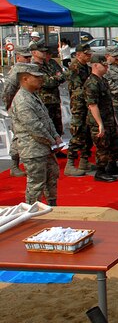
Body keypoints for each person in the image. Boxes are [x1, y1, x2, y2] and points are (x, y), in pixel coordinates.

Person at [11, 64, 62, 205]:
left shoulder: (33, 95)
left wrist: (56, 136)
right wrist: (53, 142)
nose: (41, 79)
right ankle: (32, 211)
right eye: (37, 77)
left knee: (52, 177)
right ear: (25, 79)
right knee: (36, 184)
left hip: (45, 147)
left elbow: (46, 119)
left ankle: (52, 207)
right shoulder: (22, 100)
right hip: (33, 149)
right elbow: (35, 127)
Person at [84, 53, 118, 182]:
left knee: (114, 143)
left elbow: (108, 101)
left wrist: (113, 118)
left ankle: (112, 166)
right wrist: (100, 124)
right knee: (103, 146)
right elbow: (92, 105)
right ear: (96, 65)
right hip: (99, 120)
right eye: (104, 65)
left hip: (109, 118)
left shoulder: (102, 80)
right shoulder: (91, 83)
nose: (106, 67)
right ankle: (100, 171)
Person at [2, 47, 35, 178]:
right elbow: (7, 92)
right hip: (18, 108)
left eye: (29, 57)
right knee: (19, 136)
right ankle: (14, 165)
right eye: (25, 57)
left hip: (29, 107)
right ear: (18, 57)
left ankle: (28, 163)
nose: (28, 59)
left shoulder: (30, 69)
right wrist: (10, 107)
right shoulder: (16, 71)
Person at [65, 44, 95, 176]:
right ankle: (70, 163)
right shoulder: (74, 68)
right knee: (78, 133)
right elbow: (77, 89)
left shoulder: (86, 68)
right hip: (79, 106)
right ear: (78, 54)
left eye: (89, 54)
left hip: (87, 104)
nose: (89, 56)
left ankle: (84, 160)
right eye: (86, 54)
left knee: (88, 133)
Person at [30, 43, 65, 141]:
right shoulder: (33, 67)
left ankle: (57, 146)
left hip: (55, 100)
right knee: (46, 128)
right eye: (41, 51)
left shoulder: (50, 64)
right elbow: (47, 82)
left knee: (57, 128)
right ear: (34, 53)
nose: (44, 53)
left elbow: (62, 77)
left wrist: (54, 78)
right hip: (43, 101)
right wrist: (55, 78)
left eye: (45, 51)